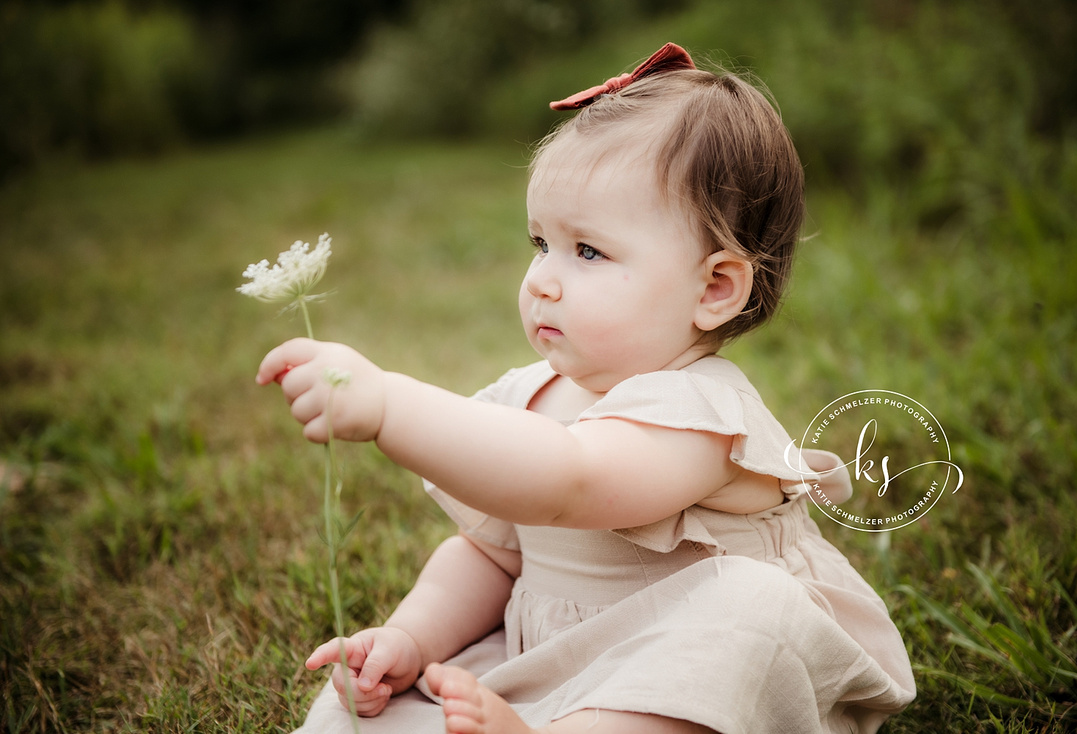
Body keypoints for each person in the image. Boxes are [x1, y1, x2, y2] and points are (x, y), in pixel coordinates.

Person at [257, 43, 916, 734]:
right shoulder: (529, 395)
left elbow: (568, 480)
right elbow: (488, 554)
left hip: (695, 685)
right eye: (540, 243)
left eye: (589, 251)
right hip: (559, 666)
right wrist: (411, 639)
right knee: (382, 708)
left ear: (715, 288)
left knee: (748, 612)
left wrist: (391, 404)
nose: (542, 278)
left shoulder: (703, 417)